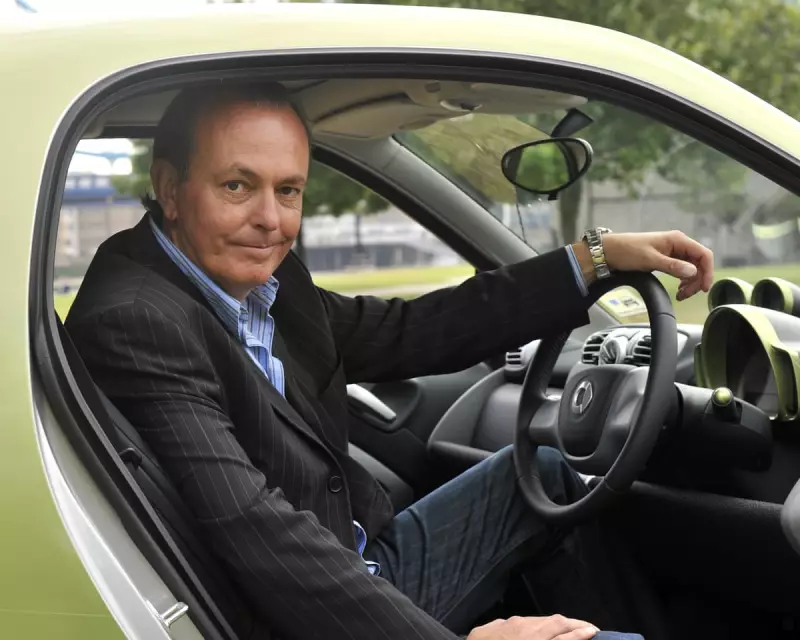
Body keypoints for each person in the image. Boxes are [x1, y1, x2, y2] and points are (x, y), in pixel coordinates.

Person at [65, 82, 713, 640]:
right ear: (170, 189)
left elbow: (411, 331)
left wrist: (593, 258)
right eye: (237, 185)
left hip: (356, 558)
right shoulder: (138, 320)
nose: (270, 220)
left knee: (542, 474)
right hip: (299, 615)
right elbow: (255, 529)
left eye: (288, 190)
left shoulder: (256, 278)